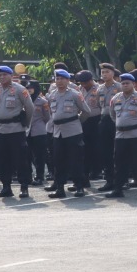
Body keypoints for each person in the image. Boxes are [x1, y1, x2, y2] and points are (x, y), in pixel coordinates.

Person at [104, 72, 137, 199]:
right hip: (120, 136)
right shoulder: (115, 98)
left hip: (136, 135)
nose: (125, 85)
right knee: (119, 163)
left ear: (133, 84)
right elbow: (112, 115)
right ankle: (118, 188)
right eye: (123, 83)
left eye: (128, 83)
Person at [0, 66, 34, 198]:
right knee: (3, 160)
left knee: (20, 160)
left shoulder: (19, 89)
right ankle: (6, 187)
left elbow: (29, 108)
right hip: (1, 130)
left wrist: (26, 124)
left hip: (16, 129)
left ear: (11, 75)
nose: (1, 77)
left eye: (4, 75)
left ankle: (24, 187)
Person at [45, 69, 90, 198]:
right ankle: (60, 188)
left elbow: (86, 111)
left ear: (67, 80)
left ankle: (79, 186)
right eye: (57, 79)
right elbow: (52, 113)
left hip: (73, 131)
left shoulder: (75, 94)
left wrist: (76, 122)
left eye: (62, 78)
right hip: (58, 132)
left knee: (75, 160)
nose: (59, 81)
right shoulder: (52, 95)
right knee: (58, 161)